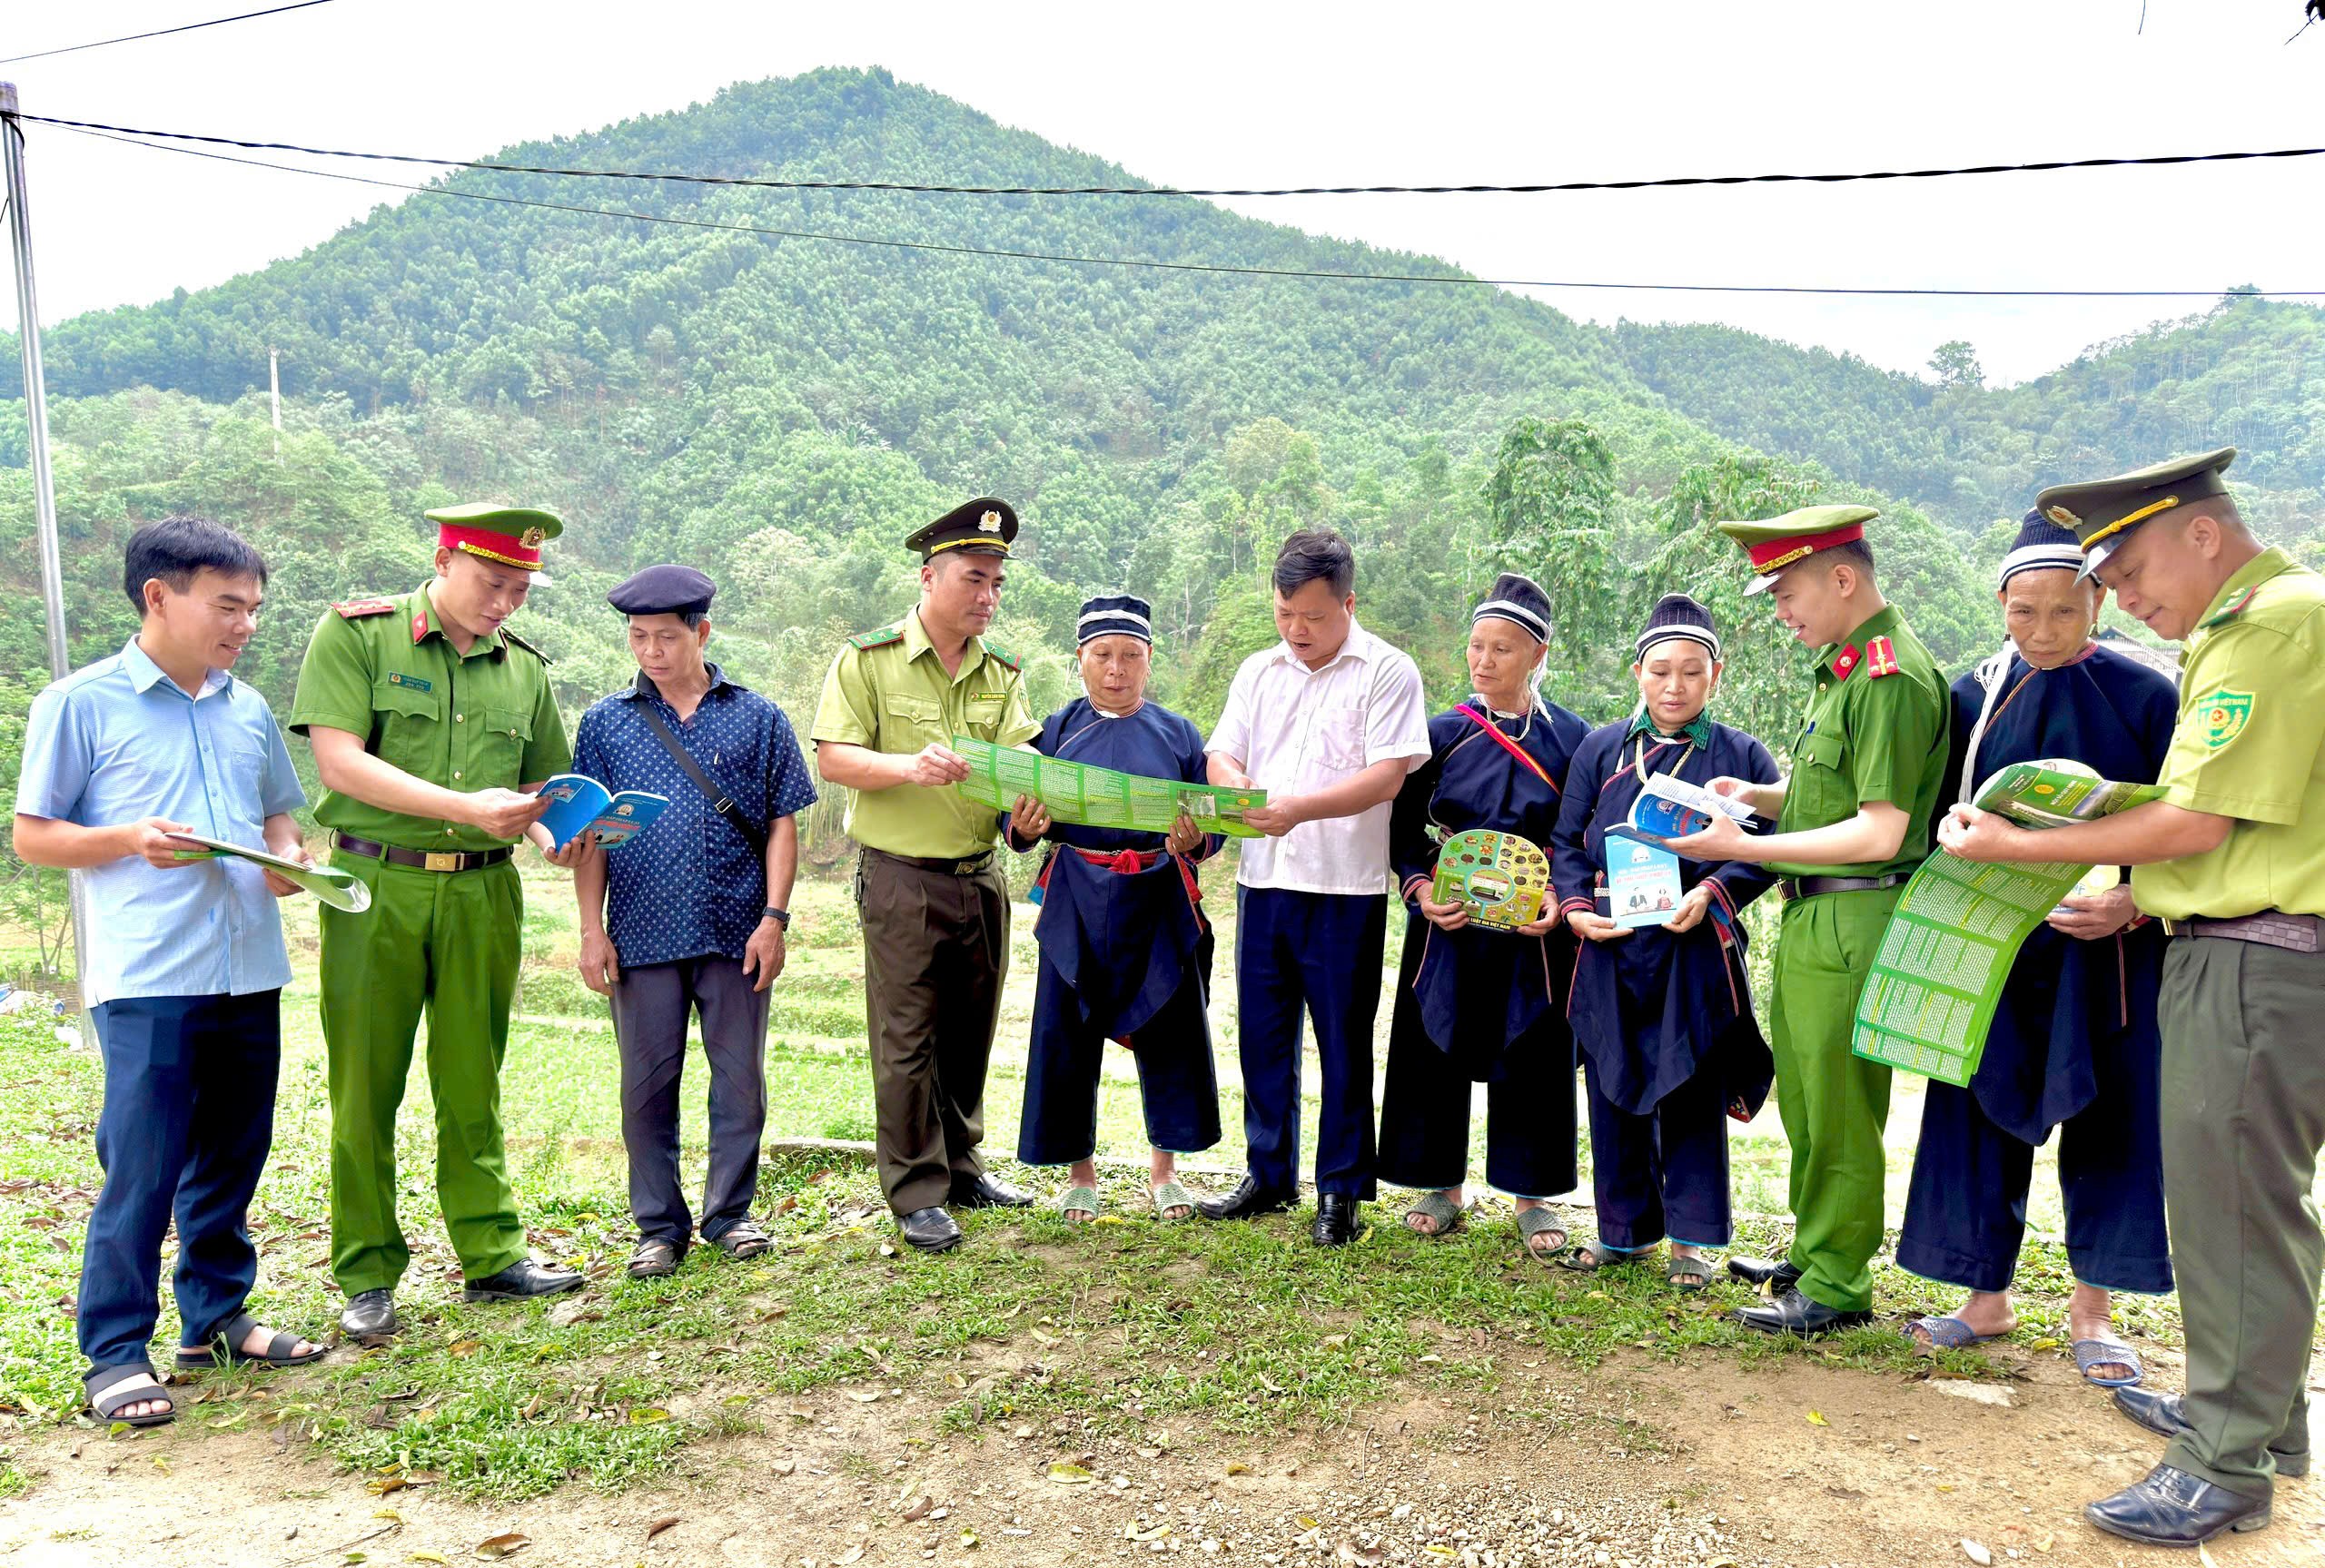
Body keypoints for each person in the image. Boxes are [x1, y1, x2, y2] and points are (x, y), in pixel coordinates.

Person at [1939, 448, 2323, 1549]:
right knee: (2260, 1206)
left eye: (2133, 563)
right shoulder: (2254, 625)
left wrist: (2027, 839)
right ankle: (2260, 1421)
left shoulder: (2271, 625)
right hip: (2248, 946)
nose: (2127, 592)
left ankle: (2221, 1461)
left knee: (2233, 1213)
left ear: (2203, 533)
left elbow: (2199, 821)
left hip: (2256, 958)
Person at [14, 517, 324, 1427]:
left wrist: (285, 852)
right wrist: (127, 839)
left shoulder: (248, 708)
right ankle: (113, 1350)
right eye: (228, 605)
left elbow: (278, 814)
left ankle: (216, 1315)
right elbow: (35, 834)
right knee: (141, 1164)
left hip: (248, 965)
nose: (245, 625)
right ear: (159, 595)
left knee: (234, 1151)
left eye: (254, 608)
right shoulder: (79, 702)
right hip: (149, 973)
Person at [290, 502, 586, 1342]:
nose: (506, 603)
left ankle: (492, 1253)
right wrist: (465, 804)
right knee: (365, 1082)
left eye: (522, 589)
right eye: (494, 582)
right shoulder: (359, 636)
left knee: (471, 1079)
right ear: (444, 559)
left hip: (483, 895)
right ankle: (369, 1271)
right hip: (374, 886)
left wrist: (551, 830)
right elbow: (341, 760)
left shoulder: (521, 670)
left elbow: (540, 786)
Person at [1895, 512, 2177, 1382]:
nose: (2045, 632)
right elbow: (1933, 813)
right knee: (1977, 1106)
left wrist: (2137, 900)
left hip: (2112, 950)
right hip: (1998, 944)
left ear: (2099, 598)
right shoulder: (1971, 699)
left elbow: (2188, 824)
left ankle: (2093, 1309)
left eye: (2065, 610)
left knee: (2117, 1118)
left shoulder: (2149, 695)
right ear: (2000, 604)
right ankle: (1984, 1298)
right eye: (2025, 613)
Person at [1671, 505, 1950, 1335]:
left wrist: (1747, 846)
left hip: (1857, 915)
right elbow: (1835, 795)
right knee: (1806, 1093)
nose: (1782, 611)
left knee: (1841, 1101)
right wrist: (1755, 799)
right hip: (1815, 914)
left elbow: (1882, 829)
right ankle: (1813, 1246)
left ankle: (1836, 1281)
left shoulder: (1891, 679)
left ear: (1841, 577)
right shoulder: (1846, 672)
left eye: (1788, 592)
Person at [570, 565, 818, 1278]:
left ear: (702, 632)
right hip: (642, 934)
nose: (650, 651)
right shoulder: (605, 724)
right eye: (638, 638)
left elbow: (781, 824)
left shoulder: (758, 715)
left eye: (666, 638)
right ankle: (658, 1226)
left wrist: (774, 918)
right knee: (646, 1086)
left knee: (740, 1082)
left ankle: (729, 1214)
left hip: (738, 931)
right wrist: (592, 930)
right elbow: (589, 838)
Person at [811, 498, 1041, 1253]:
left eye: (998, 583)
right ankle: (914, 1189)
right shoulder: (869, 660)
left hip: (980, 876)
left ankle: (963, 1165)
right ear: (930, 575)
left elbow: (1021, 764)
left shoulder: (1000, 673)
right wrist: (910, 765)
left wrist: (1030, 810)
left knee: (970, 1030)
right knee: (907, 1037)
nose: (989, 595)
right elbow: (836, 758)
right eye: (976, 578)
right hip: (902, 877)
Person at [1199, 528, 1432, 1247]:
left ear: (1349, 604)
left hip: (1345, 890)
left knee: (1341, 1043)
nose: (1298, 630)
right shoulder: (1258, 671)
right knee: (1264, 1038)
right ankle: (1269, 1174)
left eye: (1315, 617)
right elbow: (1222, 751)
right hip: (1263, 882)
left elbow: (1387, 775)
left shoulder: (1388, 671)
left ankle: (1340, 1191)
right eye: (1285, 613)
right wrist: (1233, 781)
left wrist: (1296, 808)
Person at [1549, 594, 1780, 1287]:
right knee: (1614, 1085)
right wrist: (1574, 907)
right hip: (1612, 941)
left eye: (1690, 672)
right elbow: (1566, 841)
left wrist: (1712, 892)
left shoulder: (1740, 754)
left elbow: (1767, 846)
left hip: (1693, 946)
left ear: (1717, 674)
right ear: (1637, 673)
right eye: (1659, 672)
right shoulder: (1601, 749)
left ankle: (1690, 1240)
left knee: (1690, 1085)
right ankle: (1624, 1233)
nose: (1673, 687)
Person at [1378, 574, 1587, 1258]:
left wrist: (1561, 893)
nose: (1483, 659)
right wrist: (1417, 887)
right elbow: (1402, 826)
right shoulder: (1438, 735)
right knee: (1433, 1040)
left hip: (1532, 933)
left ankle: (1532, 1195)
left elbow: (1580, 833)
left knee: (1532, 1047)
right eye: (1476, 645)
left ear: (1537, 653)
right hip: (1450, 921)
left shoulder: (1573, 741)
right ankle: (1440, 1183)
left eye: (1502, 648)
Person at [1004, 594, 1224, 1221]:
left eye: (1131, 655)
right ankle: (1080, 1174)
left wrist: (1195, 838)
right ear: (1080, 659)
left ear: (1149, 660)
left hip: (1157, 892)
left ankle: (1165, 1172)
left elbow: (1211, 821)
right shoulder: (1051, 730)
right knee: (1068, 1028)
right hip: (1076, 892)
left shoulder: (1180, 734)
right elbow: (1014, 821)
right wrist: (1023, 822)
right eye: (1103, 654)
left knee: (1172, 1031)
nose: (1116, 668)